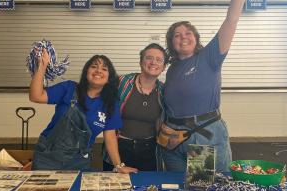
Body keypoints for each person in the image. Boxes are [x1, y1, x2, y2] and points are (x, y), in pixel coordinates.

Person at [161, 0, 245, 172]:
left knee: (205, 190)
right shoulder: (172, 69)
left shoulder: (209, 57)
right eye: (177, 35)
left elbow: (231, 19)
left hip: (201, 138)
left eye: (188, 33)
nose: (183, 37)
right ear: (171, 43)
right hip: (173, 142)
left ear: (196, 38)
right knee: (177, 189)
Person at [29, 51, 137, 173]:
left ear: (109, 78)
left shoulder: (110, 104)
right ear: (86, 72)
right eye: (94, 67)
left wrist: (119, 166)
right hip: (47, 156)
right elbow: (36, 96)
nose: (98, 71)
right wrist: (42, 66)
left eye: (104, 69)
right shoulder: (69, 88)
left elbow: (110, 136)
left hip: (78, 161)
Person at [103, 43, 168, 171]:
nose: (153, 62)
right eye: (149, 58)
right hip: (118, 148)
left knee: (147, 189)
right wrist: (118, 164)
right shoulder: (121, 82)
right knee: (115, 190)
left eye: (159, 60)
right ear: (140, 62)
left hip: (149, 151)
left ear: (164, 67)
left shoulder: (164, 91)